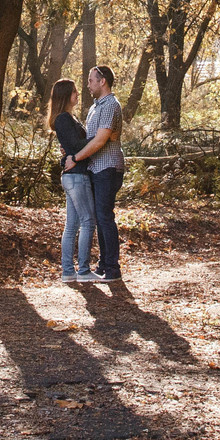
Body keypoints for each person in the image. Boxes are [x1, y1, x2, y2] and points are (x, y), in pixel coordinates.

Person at [65, 63, 125, 281]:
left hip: (107, 167)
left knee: (104, 216)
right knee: (99, 217)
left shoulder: (110, 105)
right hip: (94, 168)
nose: (88, 85)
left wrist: (76, 158)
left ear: (103, 81)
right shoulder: (95, 107)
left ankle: (112, 268)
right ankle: (103, 264)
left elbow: (100, 140)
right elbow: (88, 139)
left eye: (91, 80)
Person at [47, 78, 99, 283]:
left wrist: (67, 156)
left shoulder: (68, 118)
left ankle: (69, 271)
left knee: (72, 225)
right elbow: (76, 146)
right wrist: (99, 139)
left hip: (74, 175)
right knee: (88, 221)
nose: (78, 94)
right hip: (77, 177)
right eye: (75, 92)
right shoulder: (63, 119)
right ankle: (83, 270)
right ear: (65, 95)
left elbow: (70, 147)